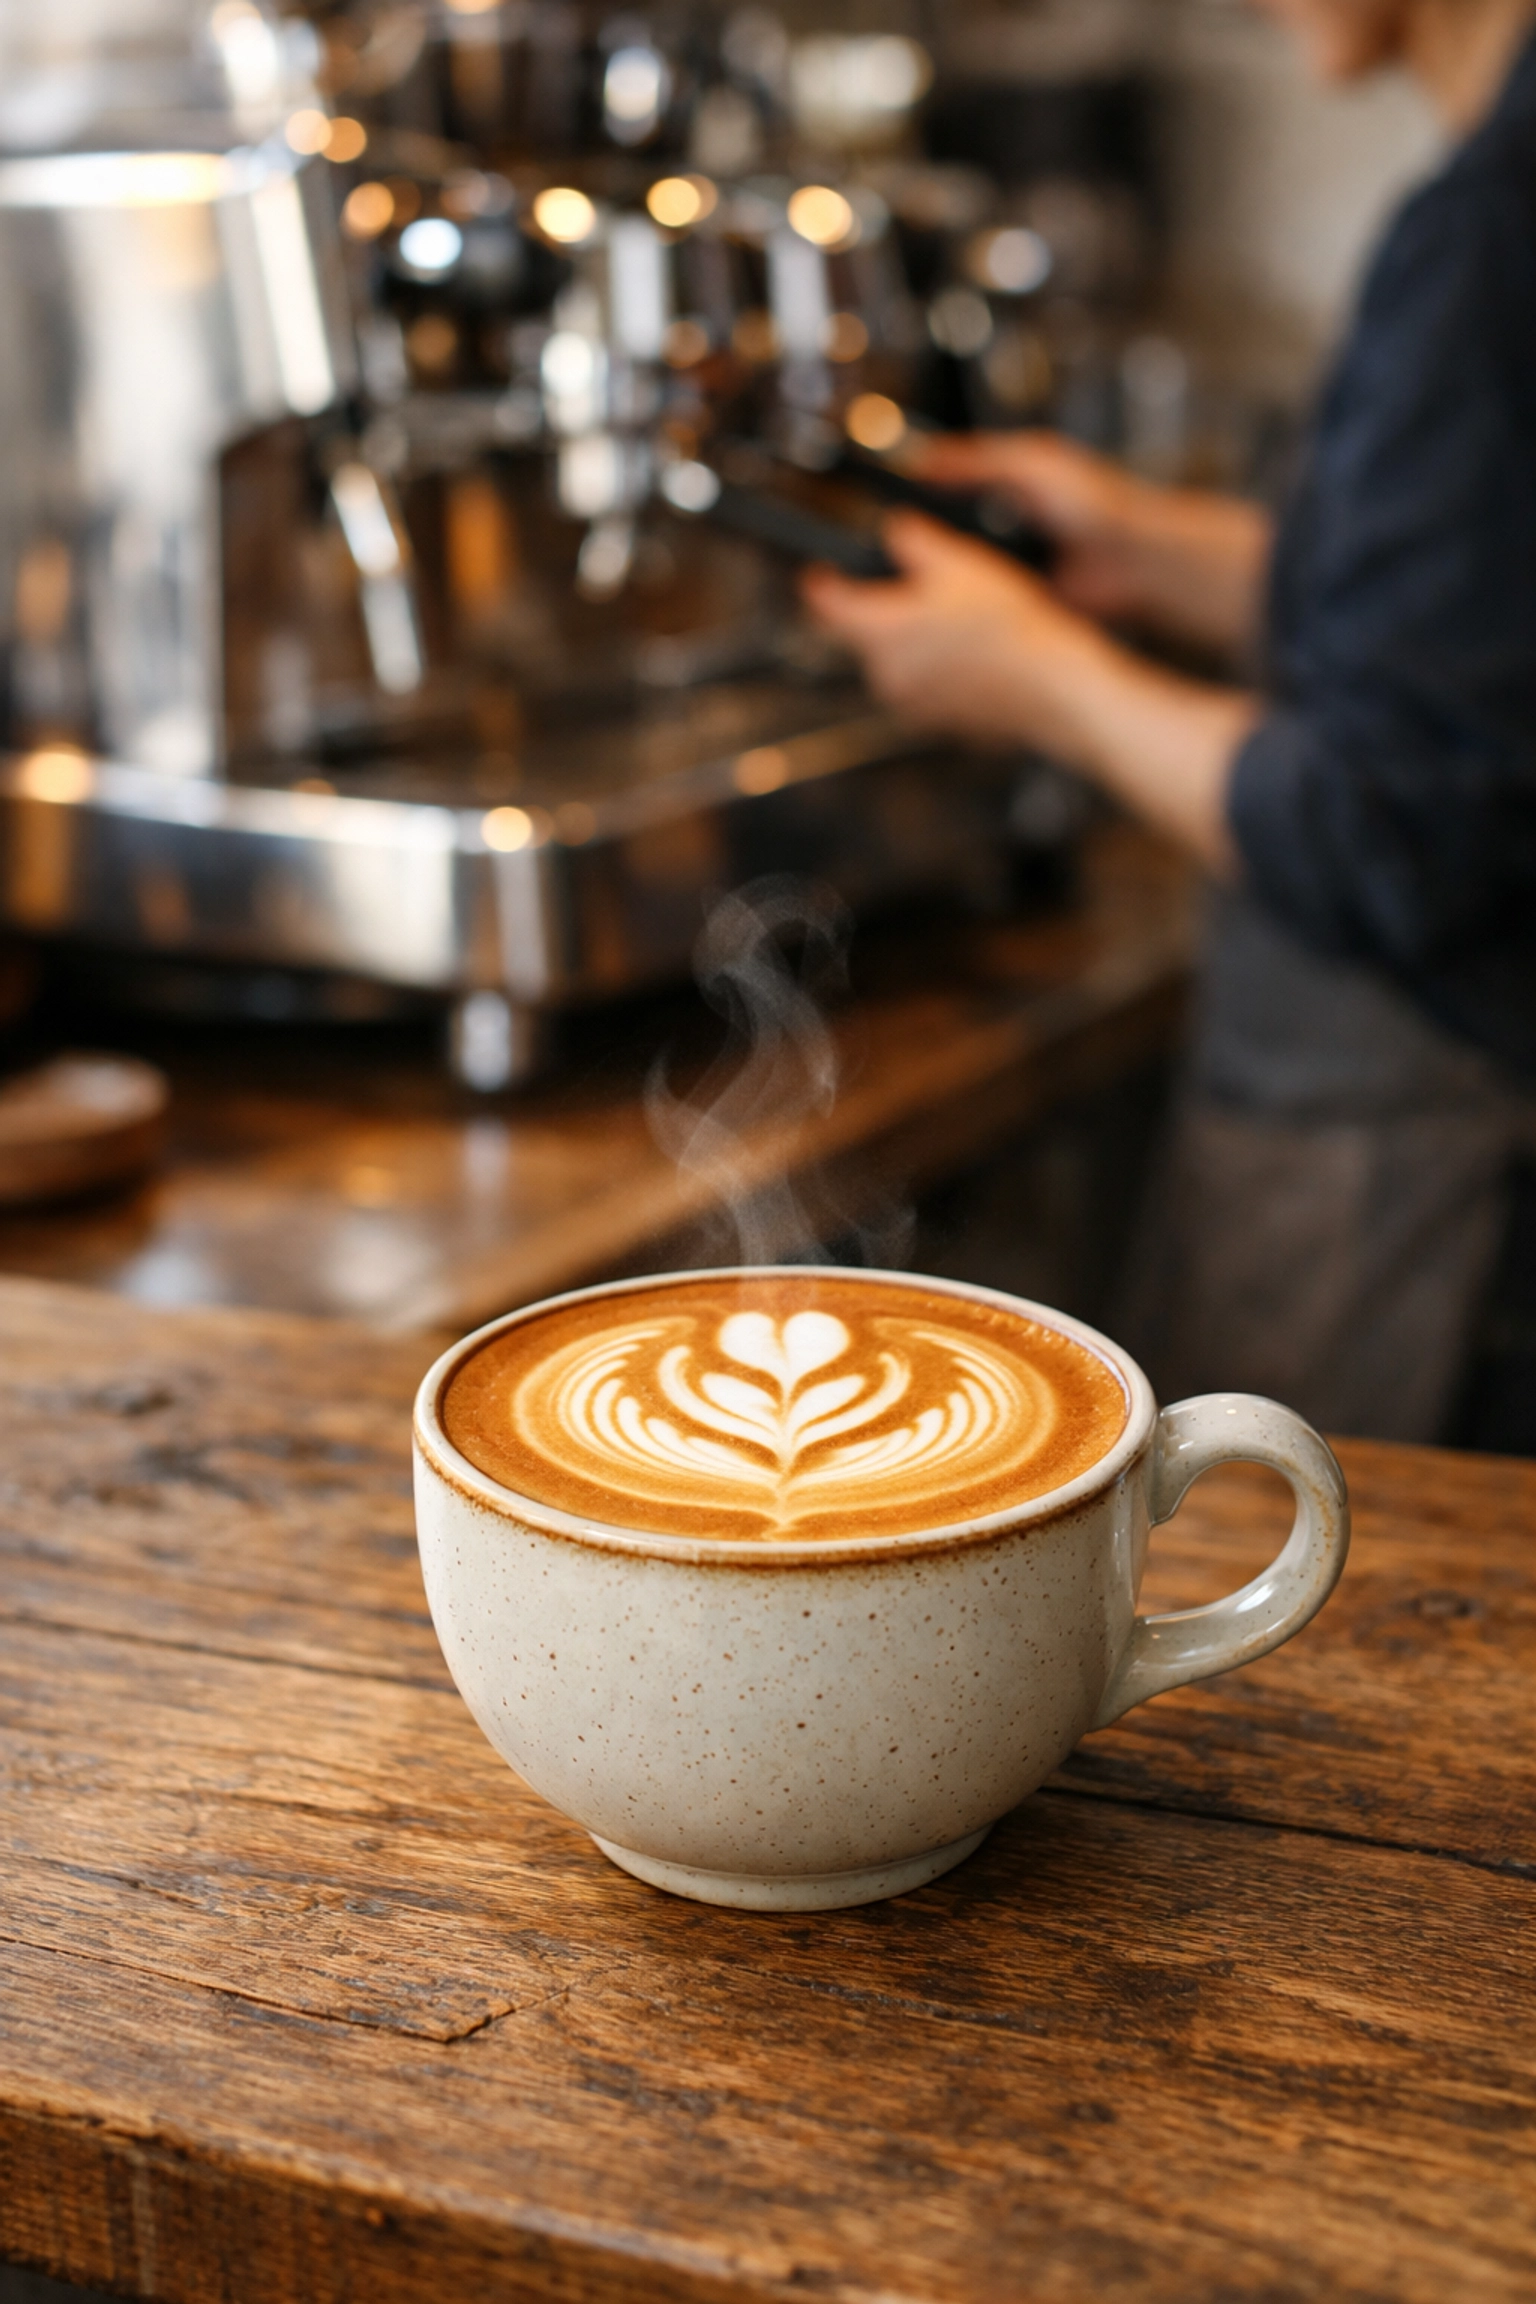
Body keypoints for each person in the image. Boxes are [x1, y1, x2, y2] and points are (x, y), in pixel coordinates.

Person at [805, 0, 1536, 1450]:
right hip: (1397, 1114)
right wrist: (1150, 545)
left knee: (1318, 1617)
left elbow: (1392, 822)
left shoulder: (1488, 240)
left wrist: (1040, 678)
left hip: (1425, 1153)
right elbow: (1481, 625)